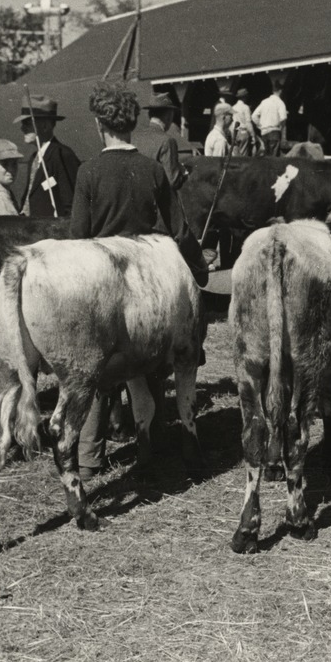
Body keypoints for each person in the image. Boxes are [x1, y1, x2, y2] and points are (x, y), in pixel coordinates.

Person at [70, 82, 209, 479]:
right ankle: (157, 441)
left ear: (100, 125)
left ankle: (89, 457)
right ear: (132, 125)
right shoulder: (151, 170)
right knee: (151, 363)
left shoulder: (88, 172)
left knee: (96, 371)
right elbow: (180, 231)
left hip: (104, 280)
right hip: (149, 281)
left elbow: (78, 238)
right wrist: (198, 268)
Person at [16, 95, 81, 220]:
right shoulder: (34, 158)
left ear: (45, 126)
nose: (22, 128)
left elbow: (71, 204)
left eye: (27, 123)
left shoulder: (61, 155)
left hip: (52, 234)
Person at [131, 92, 187, 191]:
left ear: (149, 115)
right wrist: (182, 174)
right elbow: (172, 182)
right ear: (169, 116)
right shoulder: (167, 141)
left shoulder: (134, 138)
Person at [251, 81, 287, 156]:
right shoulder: (280, 102)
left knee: (266, 157)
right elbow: (283, 118)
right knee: (273, 158)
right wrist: (281, 128)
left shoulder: (264, 102)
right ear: (280, 91)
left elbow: (254, 116)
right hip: (274, 132)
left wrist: (260, 125)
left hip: (264, 133)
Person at [230, 88, 254, 156]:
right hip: (243, 132)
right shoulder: (245, 107)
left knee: (235, 154)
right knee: (243, 155)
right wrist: (253, 135)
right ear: (245, 97)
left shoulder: (233, 107)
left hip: (234, 133)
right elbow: (248, 123)